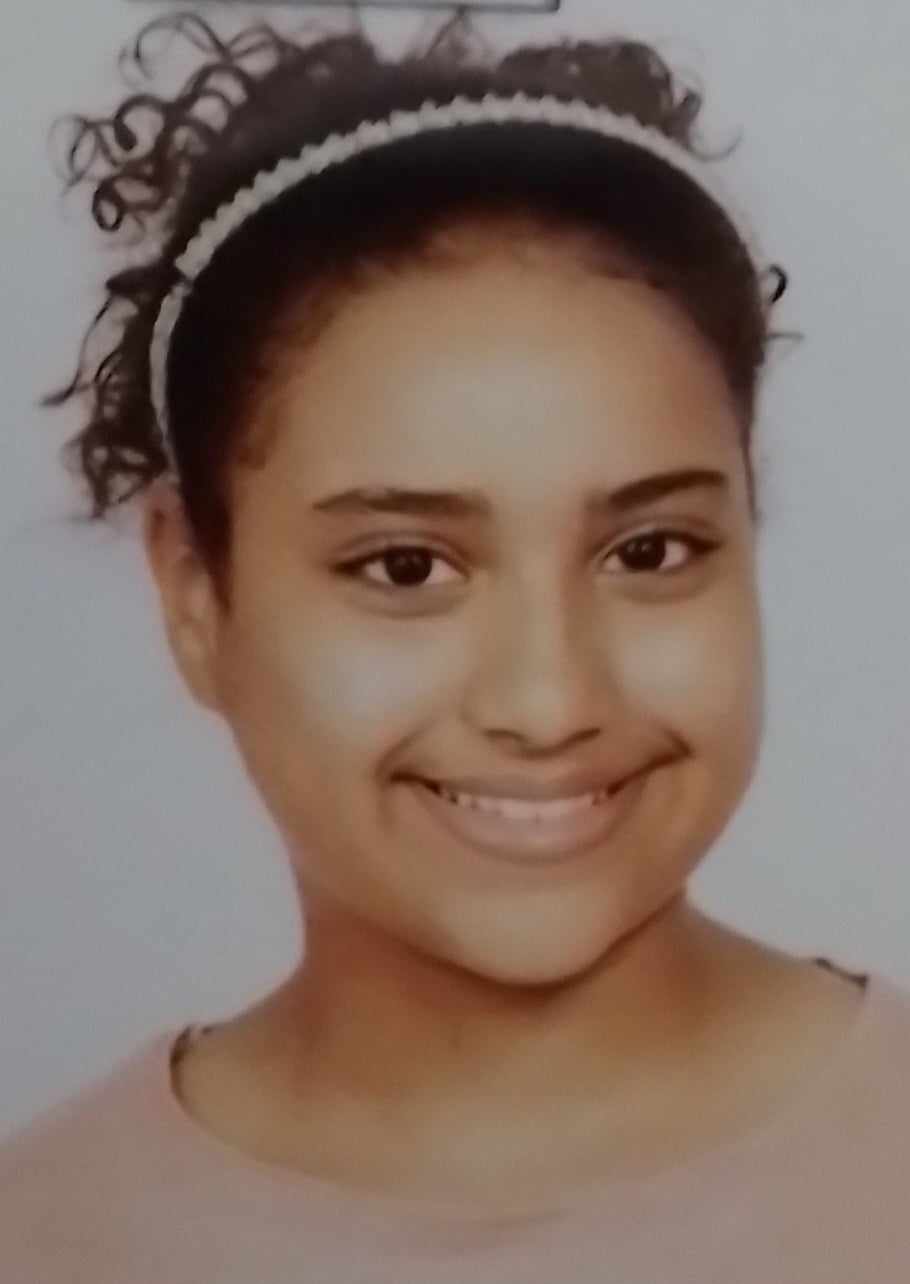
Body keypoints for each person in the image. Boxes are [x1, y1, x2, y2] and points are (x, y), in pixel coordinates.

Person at [3, 10, 908, 1281]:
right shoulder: (44, 1235)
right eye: (405, 568)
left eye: (648, 550)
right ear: (193, 591)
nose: (549, 700)